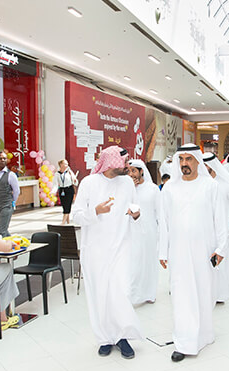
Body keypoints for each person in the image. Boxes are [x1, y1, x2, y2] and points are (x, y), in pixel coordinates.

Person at [159, 144, 228, 362]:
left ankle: (204, 335)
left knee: (204, 292)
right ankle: (184, 341)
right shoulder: (169, 189)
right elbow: (164, 222)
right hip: (178, 252)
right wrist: (163, 251)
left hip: (204, 251)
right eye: (182, 159)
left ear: (198, 161)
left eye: (189, 159)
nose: (185, 164)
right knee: (181, 294)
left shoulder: (211, 186)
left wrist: (221, 248)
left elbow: (221, 219)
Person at [72, 146, 143, 358]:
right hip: (95, 249)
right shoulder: (89, 183)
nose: (128, 166)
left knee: (120, 292)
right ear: (112, 161)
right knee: (99, 294)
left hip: (122, 247)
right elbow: (76, 216)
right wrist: (96, 211)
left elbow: (135, 207)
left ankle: (123, 337)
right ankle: (104, 338)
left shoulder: (127, 182)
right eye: (125, 161)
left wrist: (137, 213)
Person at [202, 152, 229, 303]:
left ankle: (220, 293)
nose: (203, 167)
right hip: (205, 228)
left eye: (206, 165)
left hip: (223, 229)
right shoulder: (201, 184)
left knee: (221, 263)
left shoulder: (225, 184)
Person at [128, 158, 161, 304]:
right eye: (129, 171)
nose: (131, 174)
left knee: (149, 263)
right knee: (133, 263)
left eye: (134, 171)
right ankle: (132, 295)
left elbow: (159, 213)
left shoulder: (152, 188)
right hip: (130, 231)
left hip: (149, 232)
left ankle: (149, 293)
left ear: (142, 171)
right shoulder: (126, 189)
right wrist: (130, 189)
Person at [0, 151, 21, 237]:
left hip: (6, 205)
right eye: (0, 158)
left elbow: (16, 190)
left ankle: (5, 248)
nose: (3, 160)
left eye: (4, 158)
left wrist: (12, 202)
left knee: (2, 230)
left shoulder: (11, 175)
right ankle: (11, 243)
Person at [53, 159, 78, 225]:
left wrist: (74, 180)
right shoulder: (57, 174)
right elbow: (55, 184)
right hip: (62, 190)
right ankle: (68, 222)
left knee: (68, 206)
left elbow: (75, 182)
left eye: (67, 164)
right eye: (65, 164)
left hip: (69, 189)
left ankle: (63, 222)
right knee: (64, 206)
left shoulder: (69, 172)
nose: (66, 165)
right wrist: (53, 191)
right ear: (61, 165)